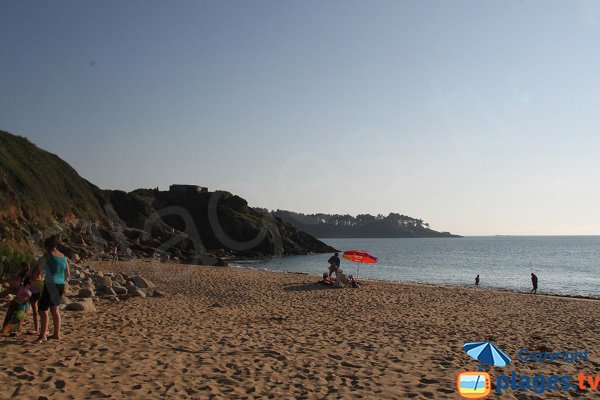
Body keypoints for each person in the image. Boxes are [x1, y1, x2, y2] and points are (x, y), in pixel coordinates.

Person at [36, 236, 70, 343]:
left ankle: (43, 336)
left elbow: (37, 271)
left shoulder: (47, 256)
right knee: (55, 310)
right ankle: (56, 334)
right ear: (56, 246)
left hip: (50, 283)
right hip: (61, 284)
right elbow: (67, 273)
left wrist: (34, 278)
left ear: (47, 247)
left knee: (43, 309)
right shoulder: (64, 257)